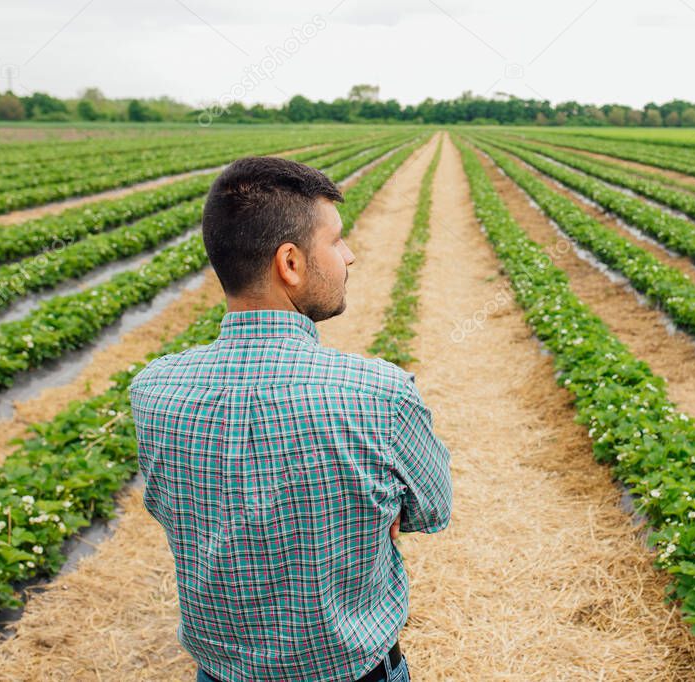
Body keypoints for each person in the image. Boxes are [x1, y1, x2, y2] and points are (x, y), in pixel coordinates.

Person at [129, 156, 453, 682]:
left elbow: (170, 507)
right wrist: (372, 515)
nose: (349, 257)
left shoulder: (153, 391)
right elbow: (432, 511)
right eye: (336, 241)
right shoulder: (380, 395)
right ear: (291, 263)